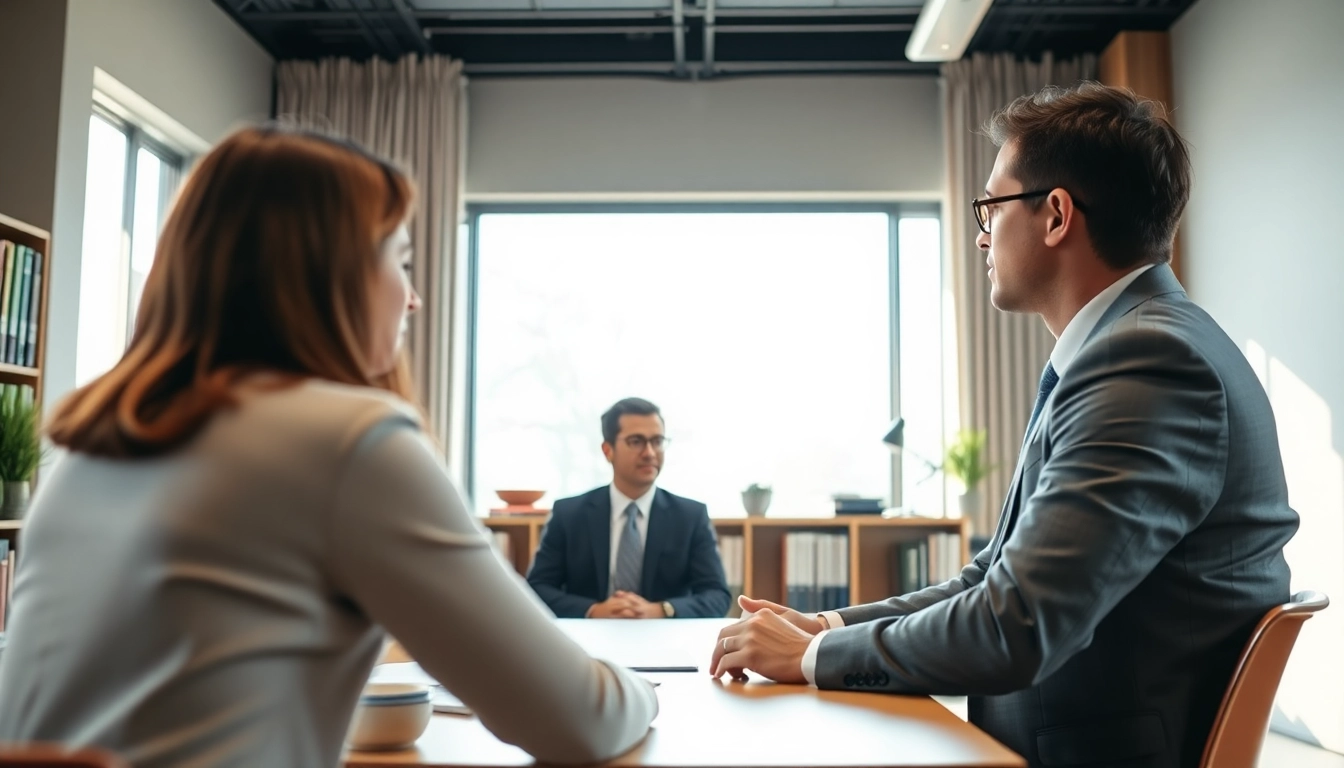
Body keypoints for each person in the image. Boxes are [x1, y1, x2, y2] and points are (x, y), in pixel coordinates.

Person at [0, 126, 657, 768]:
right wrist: (645, 692)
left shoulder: (87, 454)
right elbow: (578, 718)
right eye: (400, 262)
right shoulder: (351, 441)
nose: (415, 299)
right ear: (329, 274)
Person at [709, 83, 1299, 768]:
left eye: (991, 206)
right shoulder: (1128, 347)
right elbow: (991, 578)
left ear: (1055, 215)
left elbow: (1015, 625)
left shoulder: (1147, 363)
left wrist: (811, 657)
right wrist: (829, 625)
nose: (982, 233)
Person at [527, 398, 730, 619]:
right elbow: (537, 588)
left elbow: (717, 595)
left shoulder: (690, 516)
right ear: (607, 450)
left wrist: (661, 610)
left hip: (665, 638)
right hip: (589, 639)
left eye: (657, 441)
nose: (650, 453)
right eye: (636, 441)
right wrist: (594, 610)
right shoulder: (569, 514)